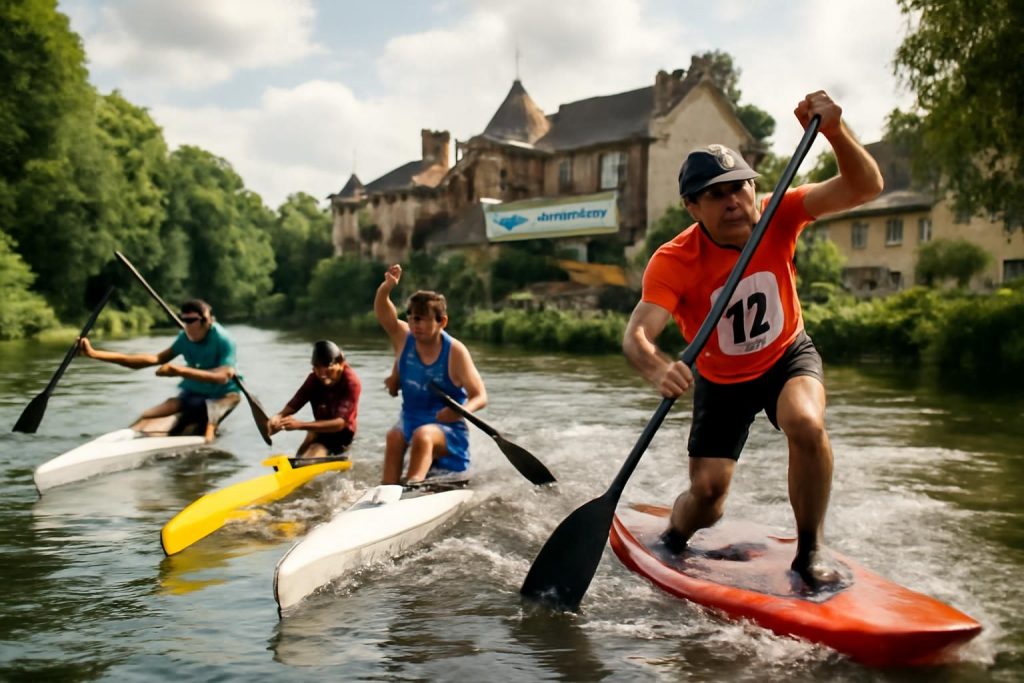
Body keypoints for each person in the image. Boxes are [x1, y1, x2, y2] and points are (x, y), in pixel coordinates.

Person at [622, 91, 884, 588]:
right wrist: (657, 366)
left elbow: (866, 186)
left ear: (754, 188)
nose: (733, 202)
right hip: (721, 381)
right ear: (692, 207)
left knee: (804, 422)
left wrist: (834, 132)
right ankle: (675, 536)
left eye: (739, 187)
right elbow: (637, 334)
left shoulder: (780, 211)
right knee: (708, 498)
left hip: (787, 355)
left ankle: (809, 551)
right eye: (716, 195)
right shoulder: (674, 260)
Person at [374, 264, 487, 484]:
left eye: (423, 319)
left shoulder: (455, 351)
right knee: (394, 437)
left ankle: (413, 485)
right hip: (410, 420)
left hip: (448, 430)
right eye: (413, 318)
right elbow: (384, 315)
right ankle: (386, 489)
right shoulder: (404, 338)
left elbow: (480, 396)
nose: (416, 325)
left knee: (423, 435)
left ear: (441, 321)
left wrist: (460, 412)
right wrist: (386, 289)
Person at [78, 299, 240, 442]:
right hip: (195, 392)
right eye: (185, 320)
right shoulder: (184, 337)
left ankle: (207, 441)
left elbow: (222, 377)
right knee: (151, 413)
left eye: (192, 321)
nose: (188, 326)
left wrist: (179, 371)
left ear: (207, 322)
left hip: (223, 395)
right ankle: (132, 435)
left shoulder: (224, 340)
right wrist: (95, 353)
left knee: (208, 421)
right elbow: (154, 359)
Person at [267, 340, 361, 459]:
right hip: (318, 427)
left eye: (328, 368)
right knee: (300, 455)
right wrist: (279, 416)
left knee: (310, 455)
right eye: (317, 367)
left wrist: (300, 425)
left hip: (342, 433)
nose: (322, 375)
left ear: (341, 364)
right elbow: (296, 402)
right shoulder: (314, 378)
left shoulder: (351, 383)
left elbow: (339, 424)